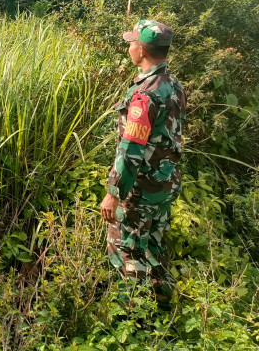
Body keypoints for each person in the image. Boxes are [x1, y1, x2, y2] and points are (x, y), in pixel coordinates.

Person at [100, 19, 186, 308]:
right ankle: (164, 309)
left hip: (140, 191)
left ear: (142, 50)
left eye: (131, 42)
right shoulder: (173, 85)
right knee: (155, 247)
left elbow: (131, 150)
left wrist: (113, 194)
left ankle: (130, 318)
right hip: (164, 184)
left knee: (127, 250)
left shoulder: (145, 94)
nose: (129, 47)